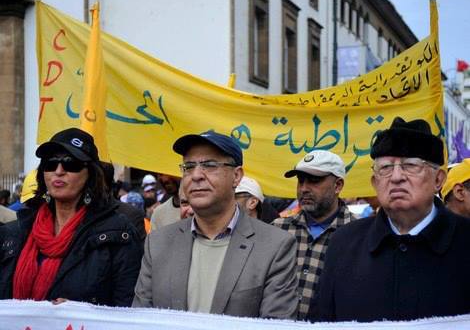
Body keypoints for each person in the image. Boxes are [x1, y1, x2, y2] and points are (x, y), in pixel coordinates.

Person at [313, 117, 470, 322]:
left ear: (439, 179)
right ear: (375, 182)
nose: (396, 177)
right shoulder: (343, 243)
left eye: (410, 165)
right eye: (386, 168)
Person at [133, 131, 298, 319]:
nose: (196, 175)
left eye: (209, 165)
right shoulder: (157, 243)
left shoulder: (274, 246)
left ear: (236, 176)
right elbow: (142, 319)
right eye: (188, 167)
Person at [0, 128, 142, 306]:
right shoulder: (13, 233)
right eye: (50, 163)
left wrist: (82, 313)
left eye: (70, 163)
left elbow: (127, 309)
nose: (59, 171)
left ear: (90, 173)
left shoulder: (118, 234)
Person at [272, 150, 356, 320]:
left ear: (338, 185)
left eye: (314, 181)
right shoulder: (277, 230)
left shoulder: (358, 235)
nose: (304, 189)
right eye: (300, 181)